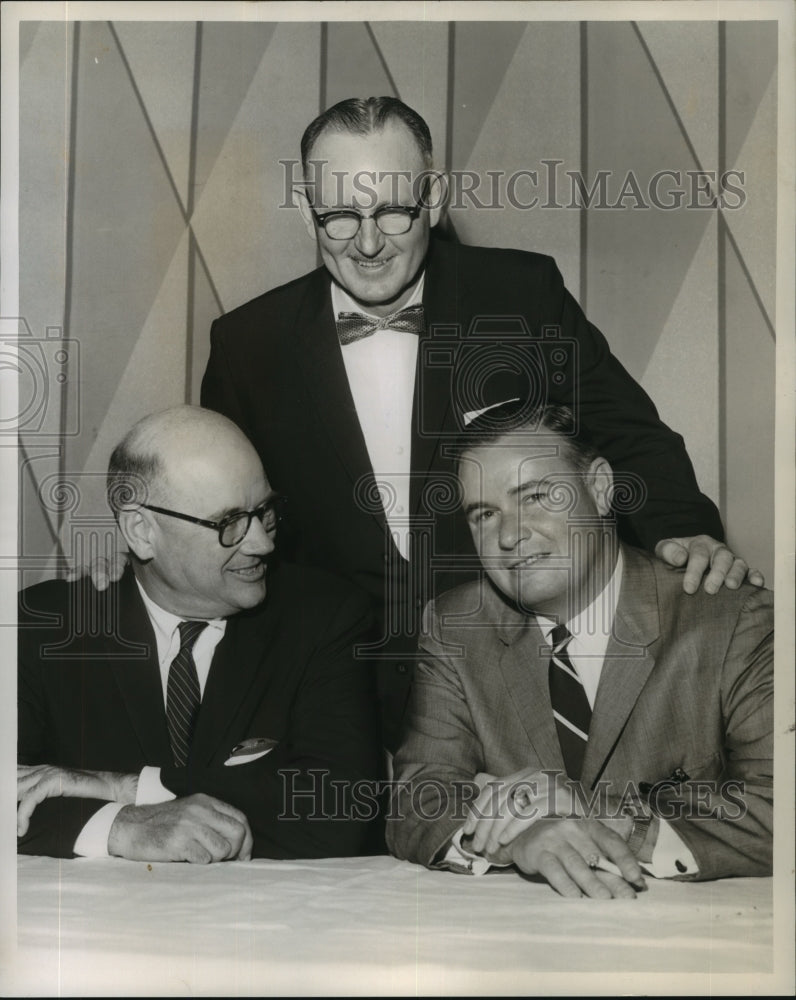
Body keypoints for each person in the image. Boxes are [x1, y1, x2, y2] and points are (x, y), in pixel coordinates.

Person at [199, 97, 762, 751]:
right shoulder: (247, 342)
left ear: (433, 199)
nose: (370, 242)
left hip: (508, 666)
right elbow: (219, 516)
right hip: (331, 685)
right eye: (341, 217)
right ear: (305, 210)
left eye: (394, 211)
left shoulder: (520, 294)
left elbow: (628, 433)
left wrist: (683, 530)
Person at [386, 402, 773, 898]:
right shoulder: (454, 628)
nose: (509, 535)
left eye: (536, 496)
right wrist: (523, 836)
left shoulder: (731, 616)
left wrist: (595, 811)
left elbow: (780, 807)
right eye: (485, 514)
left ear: (600, 487)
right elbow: (418, 799)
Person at [18, 406, 380, 863]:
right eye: (229, 523)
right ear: (141, 531)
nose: (263, 543)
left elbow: (341, 806)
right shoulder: (42, 626)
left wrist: (128, 788)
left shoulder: (324, 616)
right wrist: (119, 827)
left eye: (265, 511)